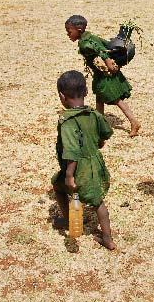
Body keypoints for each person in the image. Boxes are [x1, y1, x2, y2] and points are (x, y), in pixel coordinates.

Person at [52, 70, 116, 250]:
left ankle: (69, 220)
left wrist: (69, 176)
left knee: (60, 186)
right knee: (98, 201)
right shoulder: (94, 114)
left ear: (62, 96)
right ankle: (107, 238)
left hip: (77, 169)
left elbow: (72, 151)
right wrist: (99, 142)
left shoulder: (67, 121)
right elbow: (105, 133)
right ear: (87, 92)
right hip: (95, 165)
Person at [65, 15, 141, 137]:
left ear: (78, 30)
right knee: (99, 99)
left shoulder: (84, 44)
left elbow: (99, 49)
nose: (68, 34)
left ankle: (134, 122)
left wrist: (107, 60)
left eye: (69, 31)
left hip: (105, 76)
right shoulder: (90, 36)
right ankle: (99, 125)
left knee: (116, 99)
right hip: (101, 75)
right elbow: (106, 44)